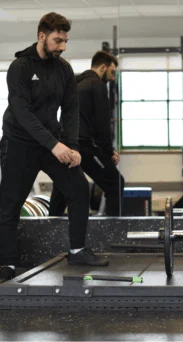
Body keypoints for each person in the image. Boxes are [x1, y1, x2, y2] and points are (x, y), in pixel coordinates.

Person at [0, 12, 109, 284]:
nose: (62, 46)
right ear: (41, 36)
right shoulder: (20, 68)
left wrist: (71, 147)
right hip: (19, 143)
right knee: (9, 206)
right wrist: (55, 144)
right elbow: (23, 113)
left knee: (79, 189)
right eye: (58, 40)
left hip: (53, 143)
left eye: (65, 41)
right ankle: (7, 263)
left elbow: (71, 111)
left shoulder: (63, 70)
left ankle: (77, 250)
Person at [49, 51, 125, 216]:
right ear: (103, 67)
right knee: (115, 183)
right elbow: (102, 124)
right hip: (83, 146)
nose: (112, 78)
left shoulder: (76, 84)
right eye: (111, 72)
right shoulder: (96, 85)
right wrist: (108, 152)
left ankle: (49, 232)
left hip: (65, 145)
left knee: (61, 190)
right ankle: (113, 233)